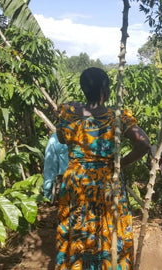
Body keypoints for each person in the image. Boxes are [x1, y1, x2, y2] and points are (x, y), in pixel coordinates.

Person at [55, 67, 150, 269]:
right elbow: (144, 143)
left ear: (83, 90)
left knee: (78, 225)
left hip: (77, 180)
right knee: (111, 227)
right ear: (105, 91)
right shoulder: (117, 117)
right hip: (107, 179)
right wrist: (120, 164)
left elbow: (62, 138)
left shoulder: (68, 114)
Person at [43, 132, 69, 203]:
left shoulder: (55, 138)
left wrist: (47, 194)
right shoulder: (98, 133)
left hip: (67, 184)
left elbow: (50, 168)